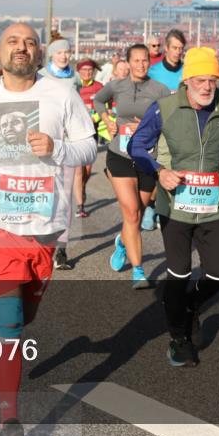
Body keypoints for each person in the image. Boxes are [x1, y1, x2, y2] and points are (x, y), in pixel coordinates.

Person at [0, 22, 96, 436]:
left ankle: (6, 299)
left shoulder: (61, 93)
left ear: (39, 52)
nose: (22, 48)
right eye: (13, 41)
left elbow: (89, 144)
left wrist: (58, 148)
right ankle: (10, 418)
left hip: (45, 225)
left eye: (30, 42)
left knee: (26, 313)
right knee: (8, 321)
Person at [129, 47, 219, 367]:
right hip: (175, 207)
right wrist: (160, 172)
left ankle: (191, 307)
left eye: (212, 79)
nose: (207, 86)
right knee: (179, 274)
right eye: (200, 79)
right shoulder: (165, 107)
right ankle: (178, 339)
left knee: (218, 277)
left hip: (212, 206)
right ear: (187, 82)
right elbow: (137, 146)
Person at [92, 44, 171, 287]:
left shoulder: (160, 89)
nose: (141, 64)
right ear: (128, 62)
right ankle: (138, 271)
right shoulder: (117, 86)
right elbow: (98, 100)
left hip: (147, 158)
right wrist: (107, 119)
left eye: (145, 60)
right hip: (120, 155)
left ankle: (123, 242)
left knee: (135, 216)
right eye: (136, 60)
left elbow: (170, 119)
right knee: (132, 212)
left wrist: (149, 127)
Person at [38, 37, 82, 270]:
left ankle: (61, 250)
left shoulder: (74, 77)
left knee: (65, 198)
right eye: (60, 53)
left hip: (68, 144)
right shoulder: (41, 76)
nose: (64, 56)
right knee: (44, 194)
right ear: (51, 55)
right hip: (45, 143)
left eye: (67, 52)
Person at [74, 59, 104, 217]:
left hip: (92, 132)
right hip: (74, 134)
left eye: (90, 70)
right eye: (84, 70)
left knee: (87, 170)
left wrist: (97, 118)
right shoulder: (73, 87)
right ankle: (80, 205)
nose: (87, 73)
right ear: (78, 71)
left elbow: (105, 107)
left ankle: (83, 186)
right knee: (78, 170)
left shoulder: (99, 87)